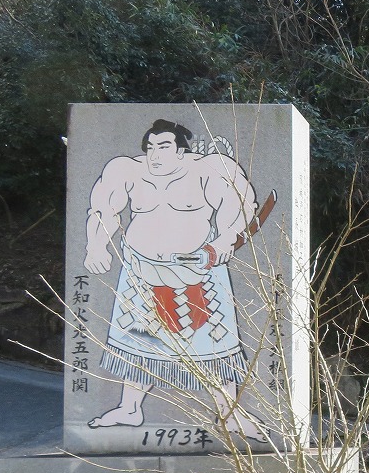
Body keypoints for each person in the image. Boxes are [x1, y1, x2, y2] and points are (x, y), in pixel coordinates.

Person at [83, 118, 266, 440]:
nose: (155, 154)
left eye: (164, 146)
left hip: (198, 271)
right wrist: (96, 246)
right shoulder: (126, 171)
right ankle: (129, 408)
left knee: (215, 344)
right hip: (140, 270)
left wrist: (222, 244)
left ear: (181, 150)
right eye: (150, 147)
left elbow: (238, 208)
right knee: (137, 341)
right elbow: (102, 210)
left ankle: (230, 413)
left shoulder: (208, 170)